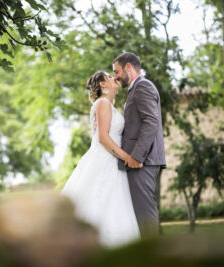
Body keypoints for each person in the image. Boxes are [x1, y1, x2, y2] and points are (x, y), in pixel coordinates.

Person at [61, 71, 140, 247]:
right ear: (103, 85)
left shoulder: (107, 105)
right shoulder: (103, 103)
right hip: (105, 161)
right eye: (109, 77)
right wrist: (127, 157)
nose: (114, 78)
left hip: (110, 161)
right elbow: (103, 138)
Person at [113, 52, 166, 238]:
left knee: (145, 214)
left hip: (144, 160)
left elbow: (151, 122)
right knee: (140, 214)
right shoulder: (136, 89)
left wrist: (136, 156)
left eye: (117, 71)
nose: (115, 76)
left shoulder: (143, 86)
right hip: (142, 160)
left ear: (128, 67)